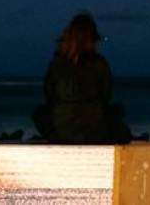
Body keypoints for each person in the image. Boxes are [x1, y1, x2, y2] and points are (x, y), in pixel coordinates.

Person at [32, 12, 131, 143]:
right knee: (116, 111)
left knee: (39, 112)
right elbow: (106, 95)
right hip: (94, 129)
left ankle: (61, 135)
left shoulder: (57, 64)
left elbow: (49, 95)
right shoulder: (99, 64)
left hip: (62, 126)